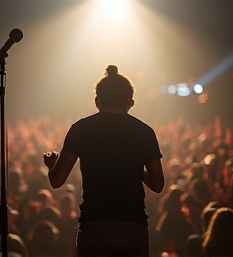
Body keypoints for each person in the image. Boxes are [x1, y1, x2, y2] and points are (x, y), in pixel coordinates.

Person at [43, 65, 165, 257]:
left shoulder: (80, 129)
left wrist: (51, 166)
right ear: (130, 102)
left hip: (94, 224)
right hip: (133, 224)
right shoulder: (144, 132)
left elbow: (56, 181)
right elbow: (158, 185)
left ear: (97, 101)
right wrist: (134, 166)